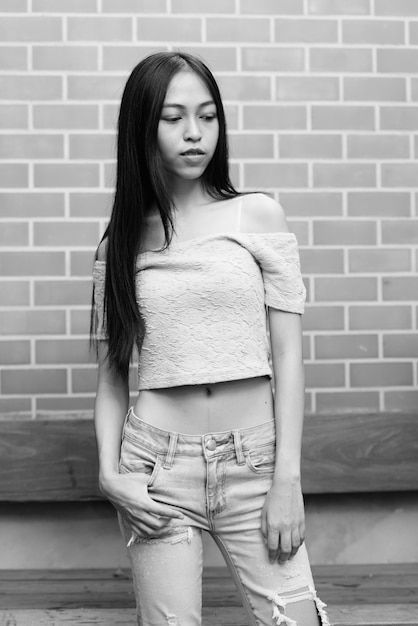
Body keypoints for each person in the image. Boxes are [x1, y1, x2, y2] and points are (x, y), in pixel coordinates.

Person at [91, 51, 330, 626]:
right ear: (142, 127)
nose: (194, 134)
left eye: (208, 116)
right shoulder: (119, 245)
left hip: (254, 461)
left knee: (298, 619)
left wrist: (286, 479)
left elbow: (288, 357)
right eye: (173, 118)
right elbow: (113, 377)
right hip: (155, 471)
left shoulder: (258, 216)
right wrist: (109, 473)